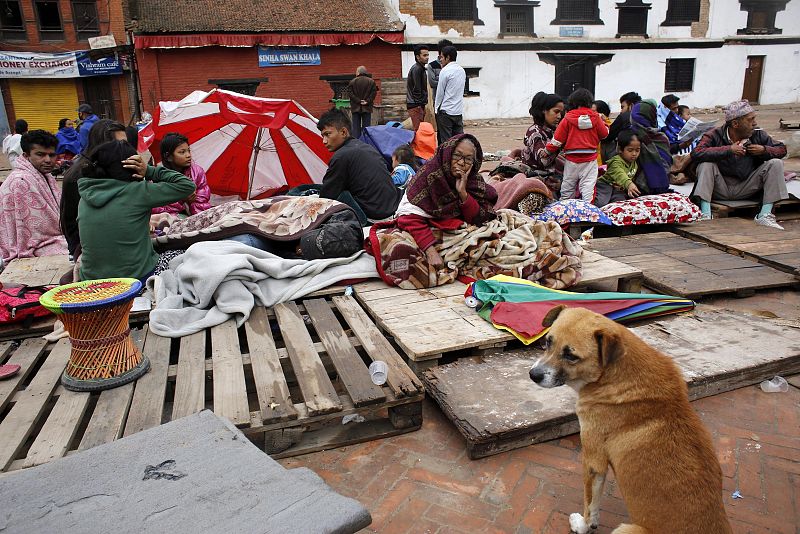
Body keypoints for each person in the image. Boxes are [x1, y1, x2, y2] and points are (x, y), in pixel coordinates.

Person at [77, 140, 195, 282]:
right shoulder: (137, 192)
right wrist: (150, 171)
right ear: (133, 167)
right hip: (134, 278)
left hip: (91, 280)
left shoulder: (85, 195)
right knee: (187, 254)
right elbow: (187, 186)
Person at [395, 133, 497, 269]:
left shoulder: (472, 181)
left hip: (456, 232)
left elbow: (478, 217)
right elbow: (407, 215)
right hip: (429, 233)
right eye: (457, 156)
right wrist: (430, 251)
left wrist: (463, 194)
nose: (461, 163)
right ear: (447, 154)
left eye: (468, 159)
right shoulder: (428, 176)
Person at [691, 100, 788, 229]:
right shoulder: (714, 135)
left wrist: (764, 150)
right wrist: (728, 150)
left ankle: (765, 215)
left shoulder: (758, 134)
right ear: (735, 123)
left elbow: (781, 149)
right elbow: (697, 153)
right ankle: (706, 213)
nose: (754, 123)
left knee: (776, 163)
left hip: (747, 186)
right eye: (750, 120)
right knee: (706, 164)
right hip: (719, 187)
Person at [317, 108, 401, 225]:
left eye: (328, 134)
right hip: (392, 209)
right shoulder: (364, 146)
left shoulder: (341, 156)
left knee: (338, 196)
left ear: (343, 132)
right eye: (322, 136)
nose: (324, 141)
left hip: (373, 216)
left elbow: (326, 196)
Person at [60, 119, 128, 258]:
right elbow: (71, 225)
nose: (125, 149)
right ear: (103, 145)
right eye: (120, 144)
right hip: (89, 249)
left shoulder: (116, 166)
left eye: (125, 144)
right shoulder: (78, 176)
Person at [0, 130, 68, 261]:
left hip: (51, 238)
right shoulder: (21, 181)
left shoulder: (46, 176)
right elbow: (36, 233)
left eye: (52, 155)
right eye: (40, 154)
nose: (48, 160)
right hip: (35, 244)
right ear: (26, 156)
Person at [545, 88, 608, 202]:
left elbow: (557, 140)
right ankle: (588, 212)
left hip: (571, 160)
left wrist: (547, 150)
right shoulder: (596, 118)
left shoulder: (567, 119)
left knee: (568, 187)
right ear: (589, 102)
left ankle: (566, 210)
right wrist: (605, 123)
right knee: (588, 188)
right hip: (590, 160)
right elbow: (604, 135)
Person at [152, 133, 211, 216]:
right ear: (168, 157)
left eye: (188, 150)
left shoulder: (197, 172)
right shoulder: (158, 178)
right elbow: (157, 209)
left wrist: (191, 201)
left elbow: (203, 202)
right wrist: (180, 199)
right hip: (172, 219)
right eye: (182, 152)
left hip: (195, 216)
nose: (188, 155)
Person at [520, 92, 565, 196]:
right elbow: (543, 161)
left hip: (552, 176)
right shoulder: (535, 133)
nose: (559, 116)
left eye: (561, 113)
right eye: (556, 112)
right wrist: (558, 143)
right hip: (537, 178)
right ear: (544, 111)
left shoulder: (551, 131)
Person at [629, 100, 672, 195]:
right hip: (633, 188)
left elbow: (665, 166)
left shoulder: (661, 139)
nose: (635, 120)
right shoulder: (628, 136)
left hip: (646, 188)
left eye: (638, 118)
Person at [595, 130, 642, 207]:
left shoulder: (634, 163)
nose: (634, 154)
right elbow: (619, 174)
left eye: (637, 150)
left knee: (620, 205)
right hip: (605, 186)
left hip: (619, 190)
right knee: (601, 203)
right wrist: (629, 184)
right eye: (630, 150)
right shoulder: (615, 162)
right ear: (620, 149)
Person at [435, 45, 466, 145]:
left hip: (446, 112)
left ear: (448, 57)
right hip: (458, 111)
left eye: (442, 57)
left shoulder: (445, 71)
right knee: (459, 141)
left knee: (446, 143)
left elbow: (440, 93)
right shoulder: (462, 70)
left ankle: (446, 160)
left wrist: (436, 109)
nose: (441, 60)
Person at [348, 66, 378, 140]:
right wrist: (367, 101)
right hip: (367, 107)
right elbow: (373, 93)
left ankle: (357, 143)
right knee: (366, 127)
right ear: (365, 72)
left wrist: (358, 101)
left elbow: (350, 94)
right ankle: (366, 142)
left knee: (356, 128)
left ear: (358, 72)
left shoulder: (352, 82)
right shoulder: (371, 81)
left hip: (355, 108)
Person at [406, 45, 429, 131]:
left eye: (427, 55)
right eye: (424, 55)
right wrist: (420, 105)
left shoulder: (420, 68)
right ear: (417, 57)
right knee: (417, 130)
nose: (427, 57)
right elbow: (417, 89)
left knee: (419, 130)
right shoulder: (417, 69)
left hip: (417, 104)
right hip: (415, 105)